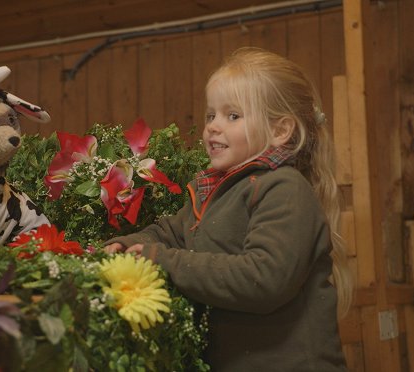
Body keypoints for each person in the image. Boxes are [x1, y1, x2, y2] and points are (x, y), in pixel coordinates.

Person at [104, 47, 352, 371]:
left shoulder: (285, 189)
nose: (213, 127)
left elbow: (263, 279)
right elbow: (170, 232)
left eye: (232, 116)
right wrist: (119, 247)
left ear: (280, 131)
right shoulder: (217, 192)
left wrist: (159, 260)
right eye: (211, 115)